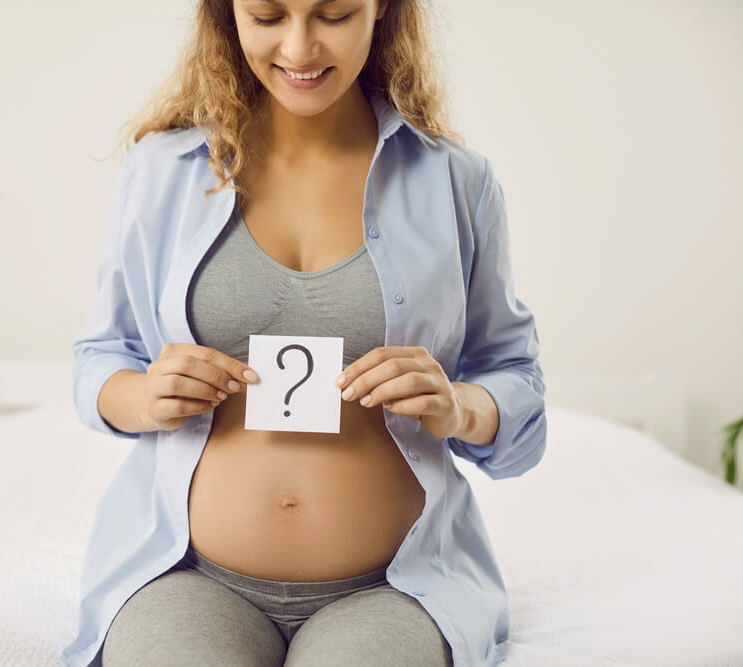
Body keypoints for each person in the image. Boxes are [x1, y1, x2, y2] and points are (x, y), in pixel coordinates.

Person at [59, 0, 547, 665]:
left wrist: (459, 406)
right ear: (229, 15)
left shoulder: (456, 182)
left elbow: (516, 383)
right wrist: (142, 395)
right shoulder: (162, 170)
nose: (299, 46)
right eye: (267, 16)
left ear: (381, 11)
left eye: (334, 14)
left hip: (394, 589)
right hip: (190, 577)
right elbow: (99, 359)